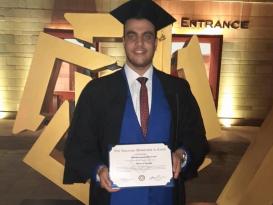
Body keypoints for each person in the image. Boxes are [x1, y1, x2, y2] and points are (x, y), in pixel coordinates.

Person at [63, 0, 209, 205]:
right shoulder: (97, 92)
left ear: (156, 42)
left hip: (165, 198)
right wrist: (98, 170)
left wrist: (182, 155)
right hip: (114, 197)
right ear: (123, 41)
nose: (139, 44)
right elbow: (76, 146)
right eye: (132, 36)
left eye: (147, 36)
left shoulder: (177, 90)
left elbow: (196, 138)